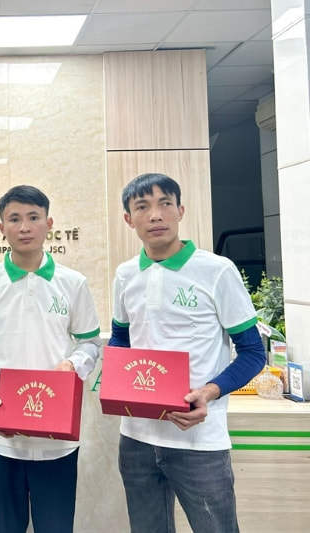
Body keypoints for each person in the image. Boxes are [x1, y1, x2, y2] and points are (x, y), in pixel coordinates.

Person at [108, 172, 266, 533]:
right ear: (129, 219)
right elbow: (120, 338)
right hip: (136, 438)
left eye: (165, 204)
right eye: (142, 207)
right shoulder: (125, 274)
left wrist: (208, 393)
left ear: (180, 210)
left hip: (199, 439)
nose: (155, 215)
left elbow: (253, 352)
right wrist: (117, 383)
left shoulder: (217, 271)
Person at [0, 185, 101, 533]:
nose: (24, 227)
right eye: (14, 219)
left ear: (48, 223)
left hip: (57, 439)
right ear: (1, 228)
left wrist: (73, 365)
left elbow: (90, 344)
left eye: (33, 217)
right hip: (0, 436)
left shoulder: (73, 283)